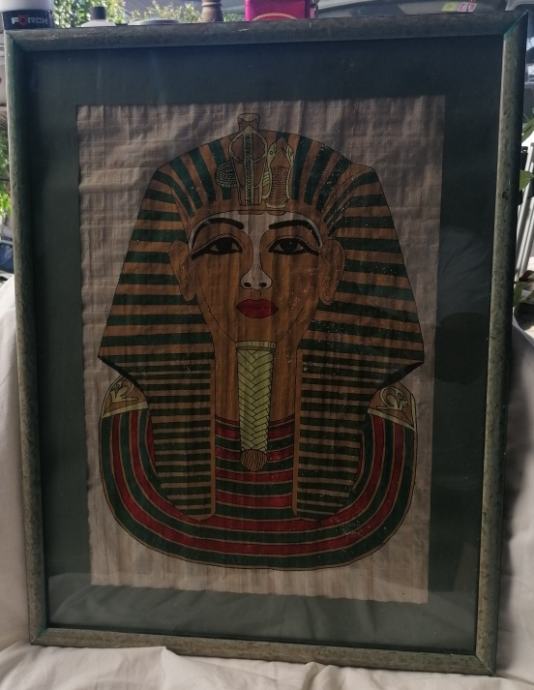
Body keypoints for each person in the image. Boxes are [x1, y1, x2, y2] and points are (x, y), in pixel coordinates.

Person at [98, 113, 424, 569]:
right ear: (182, 270)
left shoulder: (386, 423)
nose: (256, 277)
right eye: (222, 247)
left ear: (331, 270)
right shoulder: (130, 421)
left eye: (288, 247)